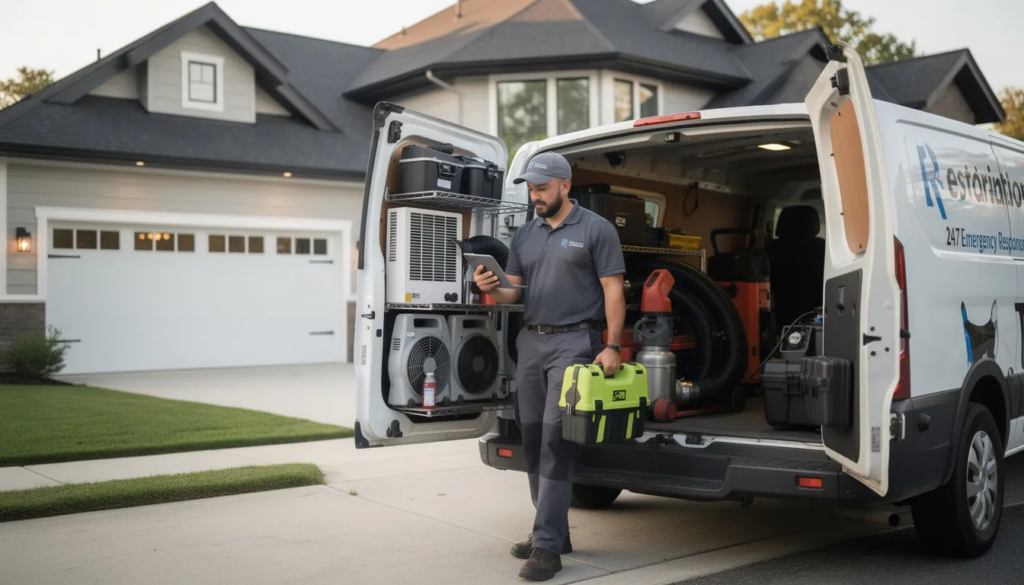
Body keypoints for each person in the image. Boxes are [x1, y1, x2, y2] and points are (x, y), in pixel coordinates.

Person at [474, 151, 626, 581]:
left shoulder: (597, 230)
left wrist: (612, 345)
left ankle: (545, 547)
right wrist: (492, 285)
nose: (534, 195)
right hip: (532, 342)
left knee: (557, 440)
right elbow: (514, 295)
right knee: (534, 438)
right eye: (530, 188)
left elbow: (613, 290)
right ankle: (553, 531)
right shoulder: (525, 235)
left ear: (565, 186)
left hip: (576, 342)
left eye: (542, 188)